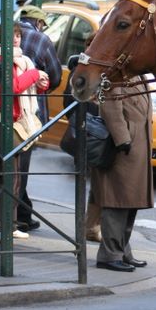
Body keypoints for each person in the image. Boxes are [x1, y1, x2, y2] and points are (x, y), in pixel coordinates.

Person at [0, 23, 49, 242]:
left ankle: (6, 225)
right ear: (0, 38)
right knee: (9, 177)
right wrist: (34, 74)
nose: (15, 39)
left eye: (18, 35)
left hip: (18, 121)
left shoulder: (23, 60)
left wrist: (41, 81)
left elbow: (31, 87)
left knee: (14, 178)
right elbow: (10, 88)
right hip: (2, 122)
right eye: (10, 35)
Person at [93, 76, 154, 272]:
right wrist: (123, 139)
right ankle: (110, 255)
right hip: (122, 149)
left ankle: (122, 251)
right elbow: (110, 108)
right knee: (116, 202)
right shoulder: (115, 75)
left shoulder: (137, 74)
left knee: (129, 203)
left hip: (135, 148)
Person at [15, 5, 62, 233]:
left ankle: (23, 214)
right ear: (39, 22)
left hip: (1, 112)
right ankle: (12, 219)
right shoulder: (40, 39)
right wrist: (39, 86)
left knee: (11, 164)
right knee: (20, 167)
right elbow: (55, 76)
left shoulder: (4, 33)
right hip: (28, 112)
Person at [63, 32, 102, 242]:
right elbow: (68, 101)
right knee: (95, 182)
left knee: (98, 183)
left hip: (99, 133)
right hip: (90, 132)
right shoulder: (83, 69)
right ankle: (90, 227)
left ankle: (92, 226)